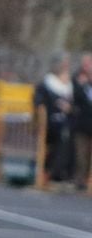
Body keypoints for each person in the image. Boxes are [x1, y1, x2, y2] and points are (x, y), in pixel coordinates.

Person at [34, 54, 75, 184]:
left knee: (66, 141)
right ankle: (45, 173)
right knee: (54, 142)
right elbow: (39, 101)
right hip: (49, 122)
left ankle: (57, 174)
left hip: (64, 121)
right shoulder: (47, 82)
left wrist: (69, 108)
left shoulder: (68, 84)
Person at [73, 53, 92, 190]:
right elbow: (76, 99)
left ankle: (88, 179)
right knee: (81, 155)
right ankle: (80, 180)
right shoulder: (79, 83)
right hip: (82, 125)